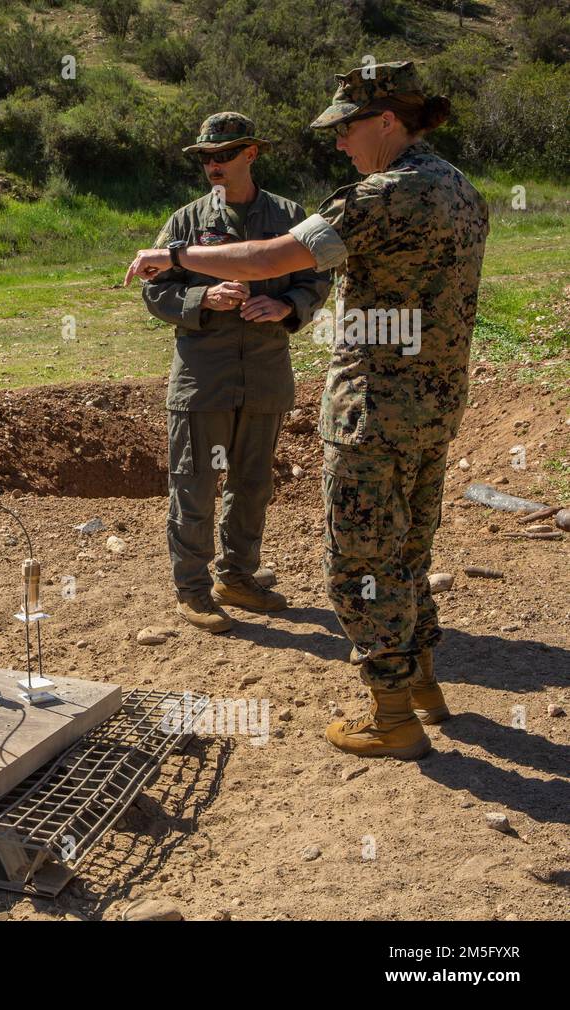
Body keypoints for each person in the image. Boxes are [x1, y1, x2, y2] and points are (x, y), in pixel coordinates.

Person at [125, 62, 489, 760]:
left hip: (374, 411)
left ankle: (391, 719)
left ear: (387, 120)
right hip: (434, 407)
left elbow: (279, 257)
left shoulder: (380, 194)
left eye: (347, 128)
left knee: (360, 562)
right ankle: (423, 687)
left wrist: (170, 255)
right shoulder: (463, 189)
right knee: (410, 549)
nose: (340, 145)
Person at [143, 112, 330, 635]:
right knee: (195, 485)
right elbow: (155, 292)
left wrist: (288, 306)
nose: (212, 165)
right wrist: (205, 296)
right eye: (205, 157)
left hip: (266, 374)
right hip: (204, 378)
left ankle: (238, 578)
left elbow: (318, 278)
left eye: (222, 155)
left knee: (252, 484)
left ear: (251, 154)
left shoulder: (292, 216)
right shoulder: (184, 224)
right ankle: (194, 590)